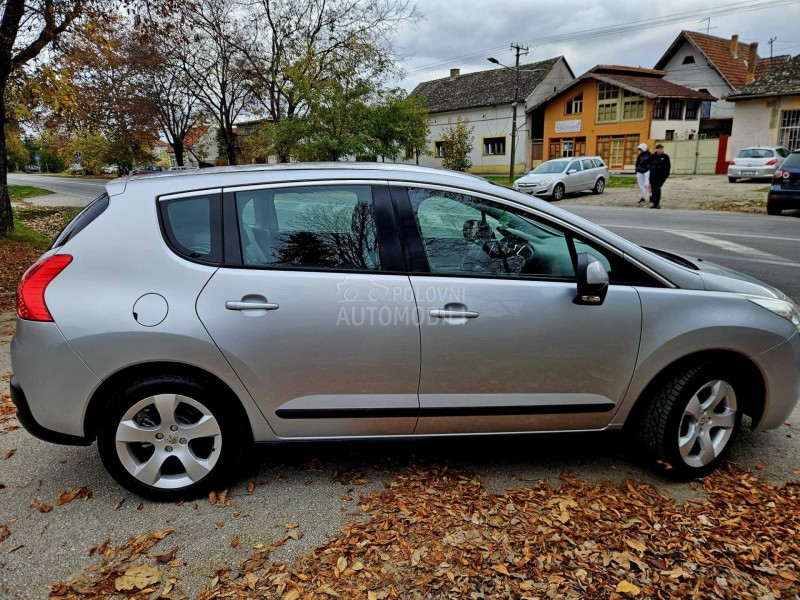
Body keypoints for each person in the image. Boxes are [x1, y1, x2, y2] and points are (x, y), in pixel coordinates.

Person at [648, 144, 671, 209]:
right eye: (660, 149)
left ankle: (657, 204)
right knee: (653, 189)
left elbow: (668, 167)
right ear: (656, 149)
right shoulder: (652, 156)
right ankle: (654, 203)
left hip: (661, 176)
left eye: (662, 149)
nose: (661, 150)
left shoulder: (665, 157)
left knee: (657, 188)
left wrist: (665, 175)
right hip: (652, 176)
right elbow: (648, 164)